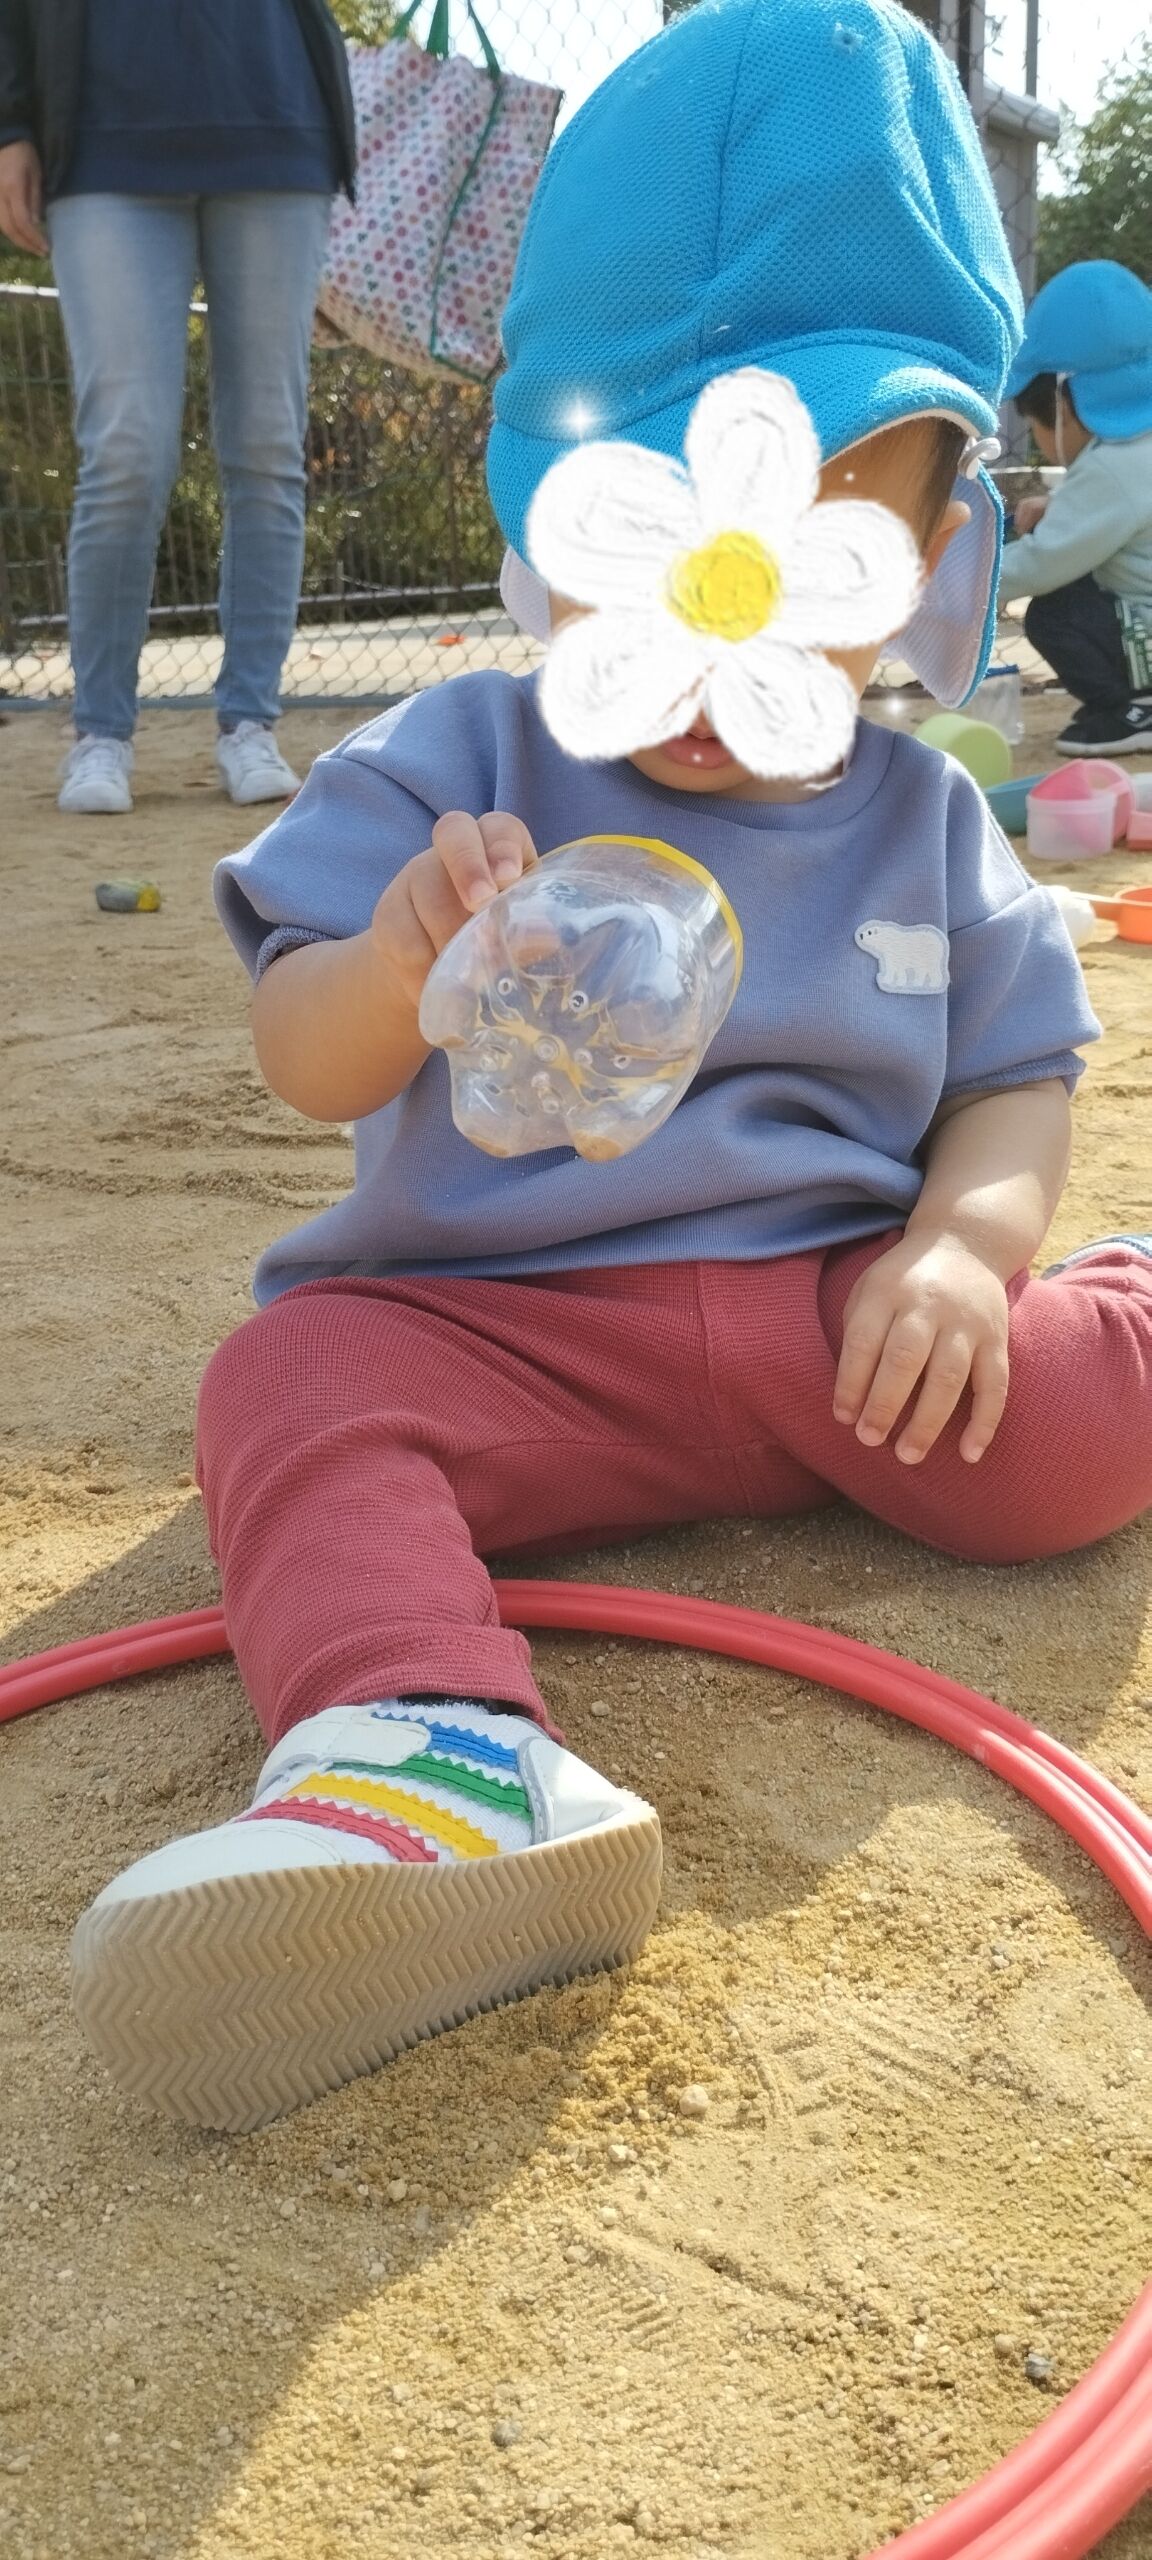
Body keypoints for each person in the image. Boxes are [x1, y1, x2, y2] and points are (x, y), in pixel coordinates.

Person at [70, 0, 1152, 2136]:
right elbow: (300, 1056)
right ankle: (436, 1757)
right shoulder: (457, 754)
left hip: (839, 1327)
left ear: (926, 552)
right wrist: (401, 963)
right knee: (287, 1390)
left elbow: (1015, 1068)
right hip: (505, 1335)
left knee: (1058, 1440)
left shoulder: (928, 817)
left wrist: (964, 1244)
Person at [0, 0, 355, 814]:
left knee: (267, 447)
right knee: (125, 452)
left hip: (278, 133)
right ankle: (100, 733)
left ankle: (250, 723)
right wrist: (10, 125)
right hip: (98, 145)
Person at [999, 261, 1152, 757]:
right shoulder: (1136, 449)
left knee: (1057, 612)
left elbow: (1042, 564)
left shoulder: (1110, 468)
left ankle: (1135, 711)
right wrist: (1058, 505)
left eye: (1035, 427)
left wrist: (965, 578)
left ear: (1063, 407)